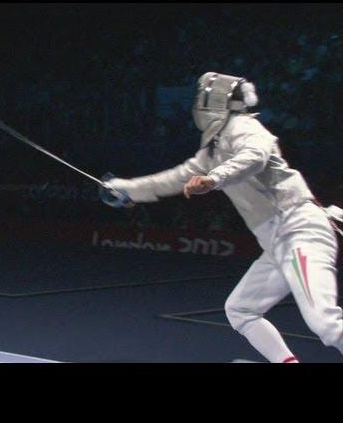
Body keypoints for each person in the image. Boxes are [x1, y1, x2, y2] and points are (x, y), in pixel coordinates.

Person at [101, 72, 342, 362]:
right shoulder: (214, 147)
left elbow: (255, 157)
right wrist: (127, 189)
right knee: (241, 310)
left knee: (325, 323)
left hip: (298, 229)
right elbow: (176, 178)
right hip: (278, 242)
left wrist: (213, 179)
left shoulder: (245, 128)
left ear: (213, 101)